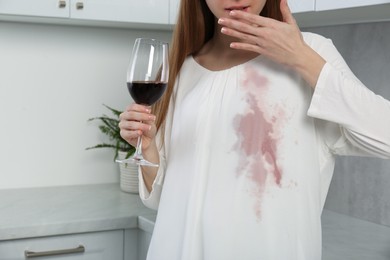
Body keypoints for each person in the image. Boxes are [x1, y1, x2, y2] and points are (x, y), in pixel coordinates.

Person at [119, 0, 390, 259]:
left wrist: (300, 58)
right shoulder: (180, 70)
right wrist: (148, 146)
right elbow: (162, 198)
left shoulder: (312, 51)